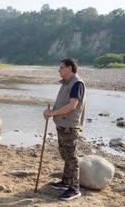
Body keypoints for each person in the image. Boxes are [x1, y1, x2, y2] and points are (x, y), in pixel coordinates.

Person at [43, 58, 86, 201]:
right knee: (65, 154)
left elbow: (72, 106)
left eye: (61, 67)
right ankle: (65, 182)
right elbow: (63, 103)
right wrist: (50, 113)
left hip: (70, 126)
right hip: (62, 124)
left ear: (69, 68)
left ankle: (75, 189)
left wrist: (52, 113)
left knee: (71, 158)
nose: (59, 70)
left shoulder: (77, 83)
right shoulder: (67, 82)